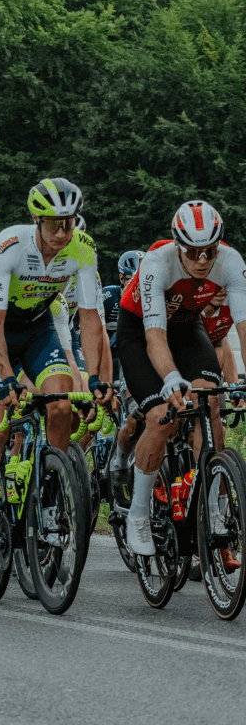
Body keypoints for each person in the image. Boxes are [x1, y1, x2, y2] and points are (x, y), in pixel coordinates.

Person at [0, 178, 110, 560]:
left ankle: (52, 497)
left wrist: (93, 378)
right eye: (54, 223)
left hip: (39, 329)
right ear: (36, 220)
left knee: (60, 404)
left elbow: (89, 320)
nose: (63, 232)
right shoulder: (9, 245)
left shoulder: (83, 249)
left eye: (70, 222)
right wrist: (7, 376)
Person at [115, 200, 246, 555]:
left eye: (210, 250)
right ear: (177, 244)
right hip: (140, 333)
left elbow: (245, 329)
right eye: (193, 251)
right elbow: (155, 336)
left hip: (188, 327)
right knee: (161, 416)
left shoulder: (232, 263)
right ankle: (138, 514)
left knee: (211, 402)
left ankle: (215, 506)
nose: (203, 259)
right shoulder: (157, 263)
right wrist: (171, 376)